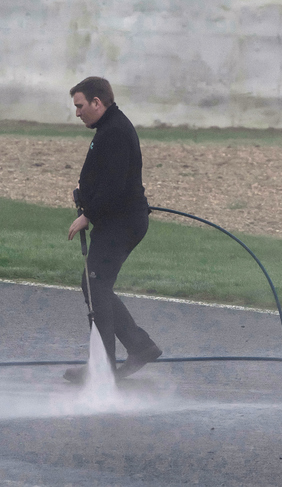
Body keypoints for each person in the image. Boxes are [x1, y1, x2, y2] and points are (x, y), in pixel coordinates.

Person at [64, 76, 162, 382]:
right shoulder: (108, 128)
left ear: (97, 103)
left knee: (95, 286)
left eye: (80, 106)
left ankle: (105, 367)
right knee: (96, 286)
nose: (77, 112)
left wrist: (88, 214)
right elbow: (102, 177)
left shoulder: (116, 131)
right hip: (117, 222)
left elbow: (115, 186)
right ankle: (135, 348)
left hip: (122, 223)